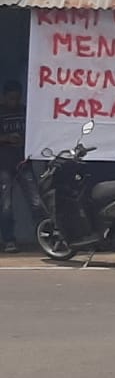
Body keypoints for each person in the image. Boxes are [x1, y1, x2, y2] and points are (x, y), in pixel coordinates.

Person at [0, 80, 42, 252]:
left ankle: (44, 237)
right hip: (4, 164)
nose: (14, 102)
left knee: (37, 202)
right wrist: (7, 138)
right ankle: (9, 240)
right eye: (11, 98)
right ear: (4, 97)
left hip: (23, 162)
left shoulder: (26, 111)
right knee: (6, 205)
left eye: (16, 98)